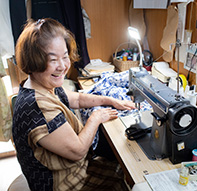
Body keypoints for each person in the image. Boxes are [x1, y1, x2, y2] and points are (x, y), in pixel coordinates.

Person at [12, 18, 135, 191]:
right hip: (62, 184)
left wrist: (110, 100)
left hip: (69, 171)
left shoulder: (38, 85)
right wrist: (96, 117)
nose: (62, 66)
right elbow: (78, 151)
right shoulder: (39, 108)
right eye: (53, 59)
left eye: (64, 57)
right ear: (34, 60)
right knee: (125, 173)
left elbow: (76, 99)